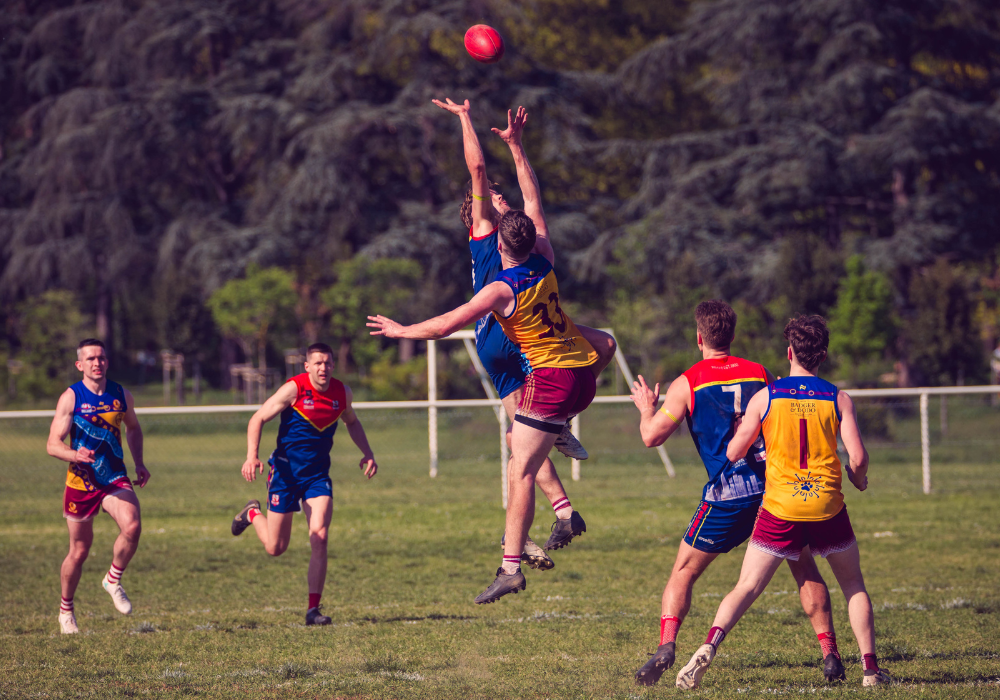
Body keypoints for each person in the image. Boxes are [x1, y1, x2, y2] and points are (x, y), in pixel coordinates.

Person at [368, 167, 601, 604]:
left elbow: (445, 324)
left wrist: (401, 331)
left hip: (541, 366)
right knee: (599, 348)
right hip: (570, 370)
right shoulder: (537, 254)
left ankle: (513, 562)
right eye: (492, 198)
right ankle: (557, 502)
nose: (496, 199)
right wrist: (512, 150)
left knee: (520, 462)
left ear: (502, 241)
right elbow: (526, 203)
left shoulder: (506, 279)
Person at [431, 97, 617, 570]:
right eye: (493, 197)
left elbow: (530, 202)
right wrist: (468, 120)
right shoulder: (489, 233)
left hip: (514, 336)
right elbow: (479, 171)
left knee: (524, 435)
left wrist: (510, 144)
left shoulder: (523, 243)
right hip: (503, 333)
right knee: (522, 441)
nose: (498, 196)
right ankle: (535, 525)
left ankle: (558, 512)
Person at [629, 301, 843, 686]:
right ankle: (830, 654)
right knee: (804, 568)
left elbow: (650, 437)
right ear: (732, 336)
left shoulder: (688, 382)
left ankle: (666, 645)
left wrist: (647, 409)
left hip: (726, 495)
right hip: (773, 493)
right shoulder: (760, 373)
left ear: (699, 338)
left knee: (684, 571)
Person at [675, 315, 891, 689]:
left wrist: (743, 433)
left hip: (780, 508)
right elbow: (857, 458)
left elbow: (734, 451)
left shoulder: (766, 396)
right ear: (823, 356)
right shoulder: (838, 398)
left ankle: (709, 645)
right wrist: (858, 480)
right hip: (826, 506)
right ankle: (870, 671)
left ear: (789, 353)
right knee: (854, 585)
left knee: (746, 587)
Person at [230, 343, 378, 626]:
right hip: (284, 474)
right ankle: (252, 513)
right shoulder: (294, 389)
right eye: (318, 363)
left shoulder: (342, 393)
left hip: (316, 476)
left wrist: (367, 452)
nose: (324, 368)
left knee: (319, 536)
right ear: (307, 366)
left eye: (328, 363)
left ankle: (313, 610)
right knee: (275, 547)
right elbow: (258, 418)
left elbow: (352, 422)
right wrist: (252, 456)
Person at [46, 338, 151, 634]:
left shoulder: (121, 394)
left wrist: (139, 463)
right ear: (80, 364)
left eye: (101, 357)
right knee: (79, 551)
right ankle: (66, 610)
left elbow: (133, 428)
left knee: (132, 526)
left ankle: (113, 580)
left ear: (107, 361)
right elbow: (52, 444)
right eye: (90, 358)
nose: (97, 363)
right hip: (81, 482)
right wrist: (74, 454)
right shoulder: (71, 397)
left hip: (114, 477)